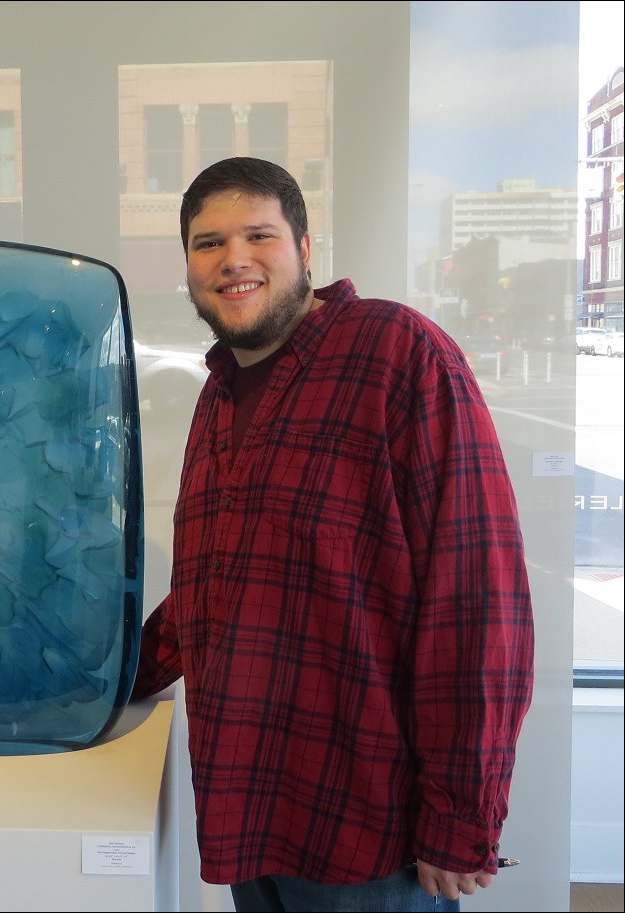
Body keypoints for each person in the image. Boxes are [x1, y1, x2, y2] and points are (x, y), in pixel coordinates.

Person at [129, 157, 535, 913]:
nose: (234, 259)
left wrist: (462, 815)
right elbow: (210, 592)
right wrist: (97, 680)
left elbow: (477, 595)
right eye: (209, 243)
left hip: (371, 833)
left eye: (259, 235)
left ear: (306, 248)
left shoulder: (397, 352)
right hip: (249, 808)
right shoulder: (220, 391)